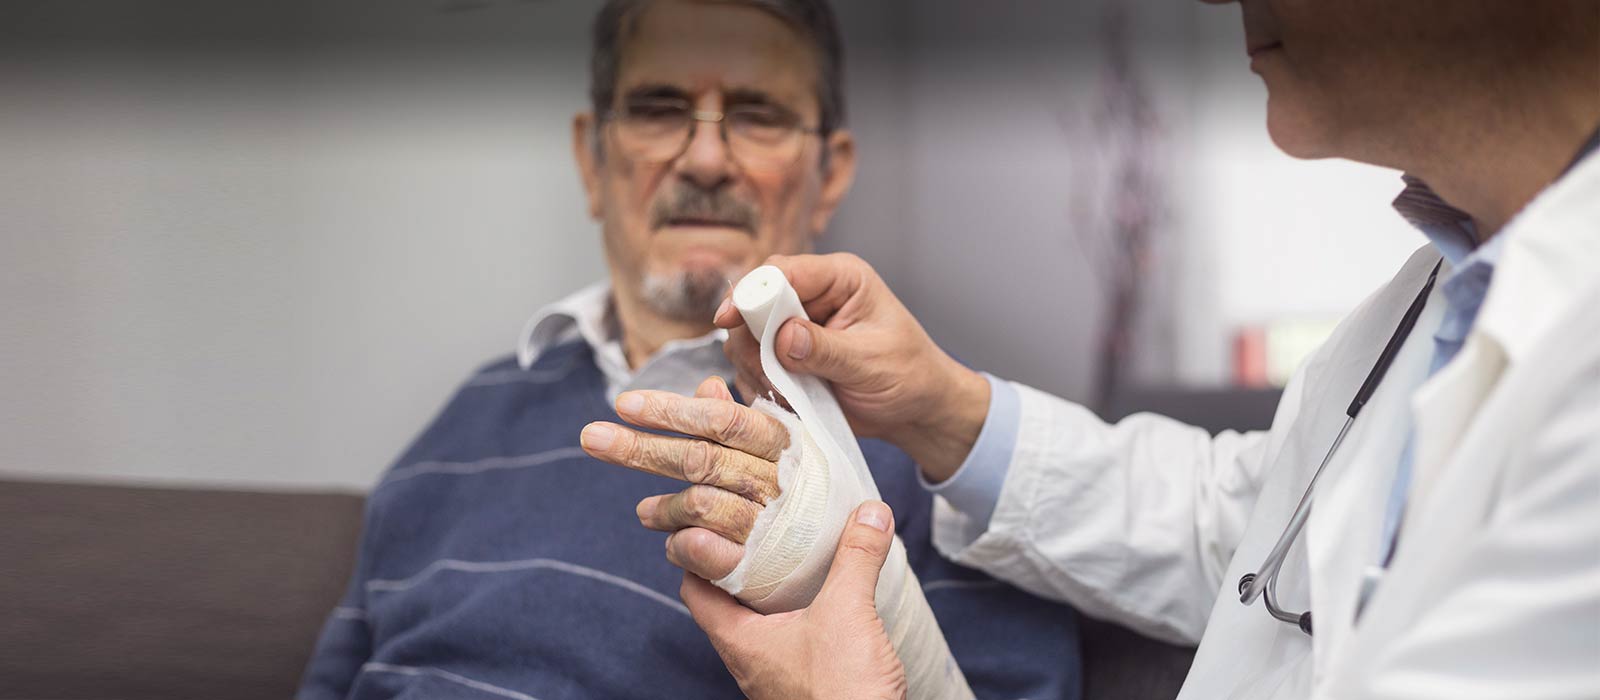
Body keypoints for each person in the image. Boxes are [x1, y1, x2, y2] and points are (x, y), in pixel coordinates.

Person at [584, 0, 1600, 697]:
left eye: (756, 114)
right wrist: (946, 409)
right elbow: (1240, 530)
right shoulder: (1436, 294)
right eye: (659, 108)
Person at [296, 0, 1083, 698]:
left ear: (829, 173)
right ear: (591, 160)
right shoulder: (470, 416)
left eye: (757, 114)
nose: (706, 160)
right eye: (659, 107)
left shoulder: (941, 466)